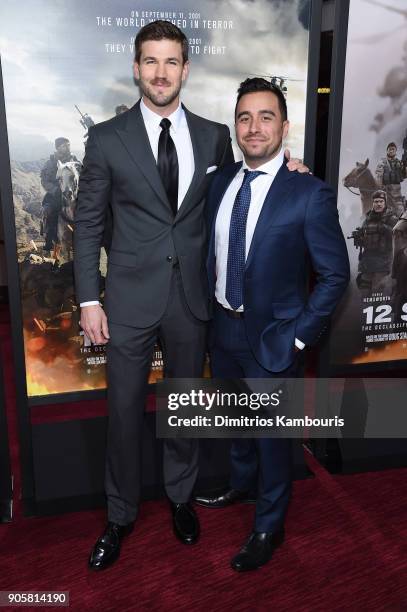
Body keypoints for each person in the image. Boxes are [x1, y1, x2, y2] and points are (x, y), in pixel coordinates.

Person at [74, 22, 305, 571]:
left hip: (191, 301)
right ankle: (120, 513)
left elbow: (241, 188)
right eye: (150, 61)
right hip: (127, 301)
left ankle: (180, 497)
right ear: (136, 68)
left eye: (171, 61)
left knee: (184, 409)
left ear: (185, 69)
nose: (160, 72)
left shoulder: (210, 136)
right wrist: (89, 299)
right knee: (124, 413)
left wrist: (288, 171)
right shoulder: (106, 138)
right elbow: (87, 225)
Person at [195, 78, 350, 572]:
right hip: (223, 328)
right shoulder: (220, 181)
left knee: (272, 437)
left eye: (266, 117)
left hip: (275, 339)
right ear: (235, 127)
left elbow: (335, 275)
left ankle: (270, 524)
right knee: (238, 424)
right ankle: (243, 485)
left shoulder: (309, 193)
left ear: (284, 127)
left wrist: (299, 335)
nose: (254, 126)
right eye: (244, 117)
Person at [354, 190, 397, 296]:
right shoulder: (368, 218)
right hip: (367, 260)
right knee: (364, 291)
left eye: (381, 201)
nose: (378, 204)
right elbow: (364, 238)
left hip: (383, 261)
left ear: (385, 203)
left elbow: (397, 235)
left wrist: (382, 228)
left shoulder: (392, 218)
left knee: (377, 293)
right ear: (373, 203)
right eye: (376, 201)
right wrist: (359, 237)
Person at [41, 137, 78, 252]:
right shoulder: (51, 162)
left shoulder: (74, 159)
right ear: (57, 148)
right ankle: (50, 241)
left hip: (74, 193)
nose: (67, 147)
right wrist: (55, 189)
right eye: (64, 145)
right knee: (49, 211)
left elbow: (83, 172)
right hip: (56, 195)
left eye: (68, 144)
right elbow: (45, 181)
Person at [375, 142, 406, 217]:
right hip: (385, 192)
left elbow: (404, 176)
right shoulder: (382, 162)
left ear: (395, 151)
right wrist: (380, 188)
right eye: (390, 149)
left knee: (401, 212)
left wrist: (405, 166)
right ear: (387, 150)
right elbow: (378, 176)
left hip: (397, 194)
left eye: (393, 149)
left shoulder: (399, 163)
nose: (391, 151)